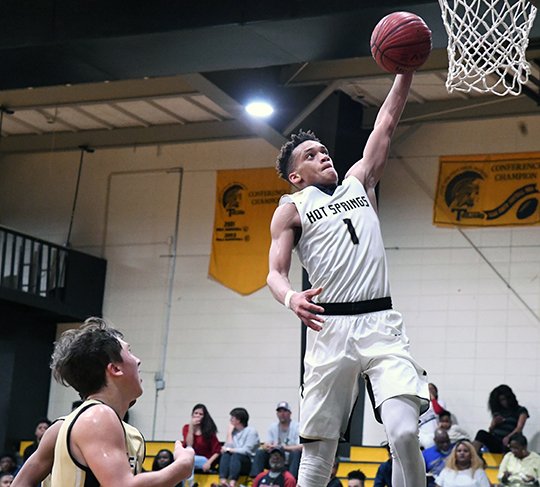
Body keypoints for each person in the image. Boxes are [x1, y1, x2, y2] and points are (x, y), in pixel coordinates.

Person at [267, 71, 429, 487]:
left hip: (380, 323)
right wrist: (291, 299)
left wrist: (405, 71)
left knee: (406, 433)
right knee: (317, 456)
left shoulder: (359, 181)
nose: (324, 155)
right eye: (311, 155)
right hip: (328, 328)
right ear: (295, 176)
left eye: (324, 150)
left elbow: (387, 121)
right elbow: (275, 274)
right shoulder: (292, 207)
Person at [48, 317, 194, 486]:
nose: (138, 360)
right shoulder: (98, 416)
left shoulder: (104, 422)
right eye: (129, 351)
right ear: (115, 369)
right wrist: (182, 467)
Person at [251, 401, 302, 479]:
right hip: (275, 457)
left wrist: (282, 447)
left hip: (290, 458)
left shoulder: (297, 426)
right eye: (280, 411)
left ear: (290, 413)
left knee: (296, 453)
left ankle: (292, 481)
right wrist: (267, 446)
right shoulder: (273, 427)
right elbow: (267, 443)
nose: (282, 414)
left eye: (285, 411)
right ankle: (256, 479)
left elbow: (300, 447)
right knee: (260, 452)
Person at [473, 384, 529, 453]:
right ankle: (472, 456)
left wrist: (508, 437)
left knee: (511, 443)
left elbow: (519, 428)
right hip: (496, 441)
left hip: (510, 440)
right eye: (501, 400)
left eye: (504, 399)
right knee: (481, 433)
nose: (503, 402)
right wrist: (493, 424)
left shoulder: (520, 410)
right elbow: (490, 430)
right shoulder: (498, 412)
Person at [218, 407, 260, 487]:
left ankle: (232, 483)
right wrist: (229, 433)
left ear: (238, 420)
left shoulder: (251, 431)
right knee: (226, 455)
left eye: (232, 418)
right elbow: (227, 448)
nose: (230, 420)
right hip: (234, 462)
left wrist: (229, 449)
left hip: (247, 462)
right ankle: (223, 481)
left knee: (236, 456)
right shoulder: (233, 432)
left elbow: (246, 451)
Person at [182, 404, 221, 472]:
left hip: (205, 460)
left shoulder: (209, 430)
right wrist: (191, 427)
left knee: (187, 461)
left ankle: (190, 482)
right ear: (192, 415)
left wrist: (208, 463)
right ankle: (189, 482)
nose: (197, 416)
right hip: (190, 456)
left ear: (204, 417)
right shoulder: (186, 428)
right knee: (184, 460)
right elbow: (189, 445)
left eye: (200, 414)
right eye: (196, 413)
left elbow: (217, 451)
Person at [419, 384, 447, 449]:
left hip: (433, 431)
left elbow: (438, 411)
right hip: (421, 431)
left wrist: (432, 398)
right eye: (428, 389)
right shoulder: (420, 404)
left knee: (430, 444)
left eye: (431, 389)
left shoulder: (440, 402)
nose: (429, 390)